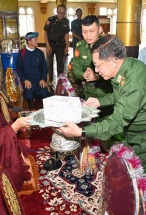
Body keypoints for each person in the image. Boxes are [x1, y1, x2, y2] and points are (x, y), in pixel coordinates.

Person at [58, 36, 146, 172]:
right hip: (133, 129)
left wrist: (81, 131)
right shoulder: (128, 66)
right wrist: (100, 101)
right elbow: (121, 95)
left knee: (137, 175)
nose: (97, 70)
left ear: (113, 61)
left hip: (142, 134)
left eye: (98, 65)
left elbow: (117, 122)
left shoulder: (133, 81)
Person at [69, 15, 113, 117]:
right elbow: (76, 68)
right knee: (90, 124)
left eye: (91, 31)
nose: (88, 35)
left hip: (106, 95)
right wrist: (84, 75)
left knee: (107, 125)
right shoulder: (80, 46)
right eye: (84, 32)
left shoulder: (108, 45)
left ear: (99, 29)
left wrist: (96, 77)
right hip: (88, 94)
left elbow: (114, 73)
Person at [16, 32, 51, 109]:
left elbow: (44, 67)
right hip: (29, 82)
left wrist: (43, 79)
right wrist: (25, 80)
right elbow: (18, 68)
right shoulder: (22, 53)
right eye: (35, 40)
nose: (37, 41)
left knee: (46, 95)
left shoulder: (40, 53)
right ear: (29, 41)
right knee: (29, 97)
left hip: (39, 82)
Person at [44, 4, 70, 84]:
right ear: (56, 12)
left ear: (65, 13)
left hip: (61, 45)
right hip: (51, 44)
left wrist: (67, 46)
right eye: (59, 12)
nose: (61, 15)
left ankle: (60, 80)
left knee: (60, 63)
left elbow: (66, 34)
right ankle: (50, 80)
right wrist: (47, 45)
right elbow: (45, 32)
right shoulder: (51, 20)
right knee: (49, 63)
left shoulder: (66, 21)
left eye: (63, 13)